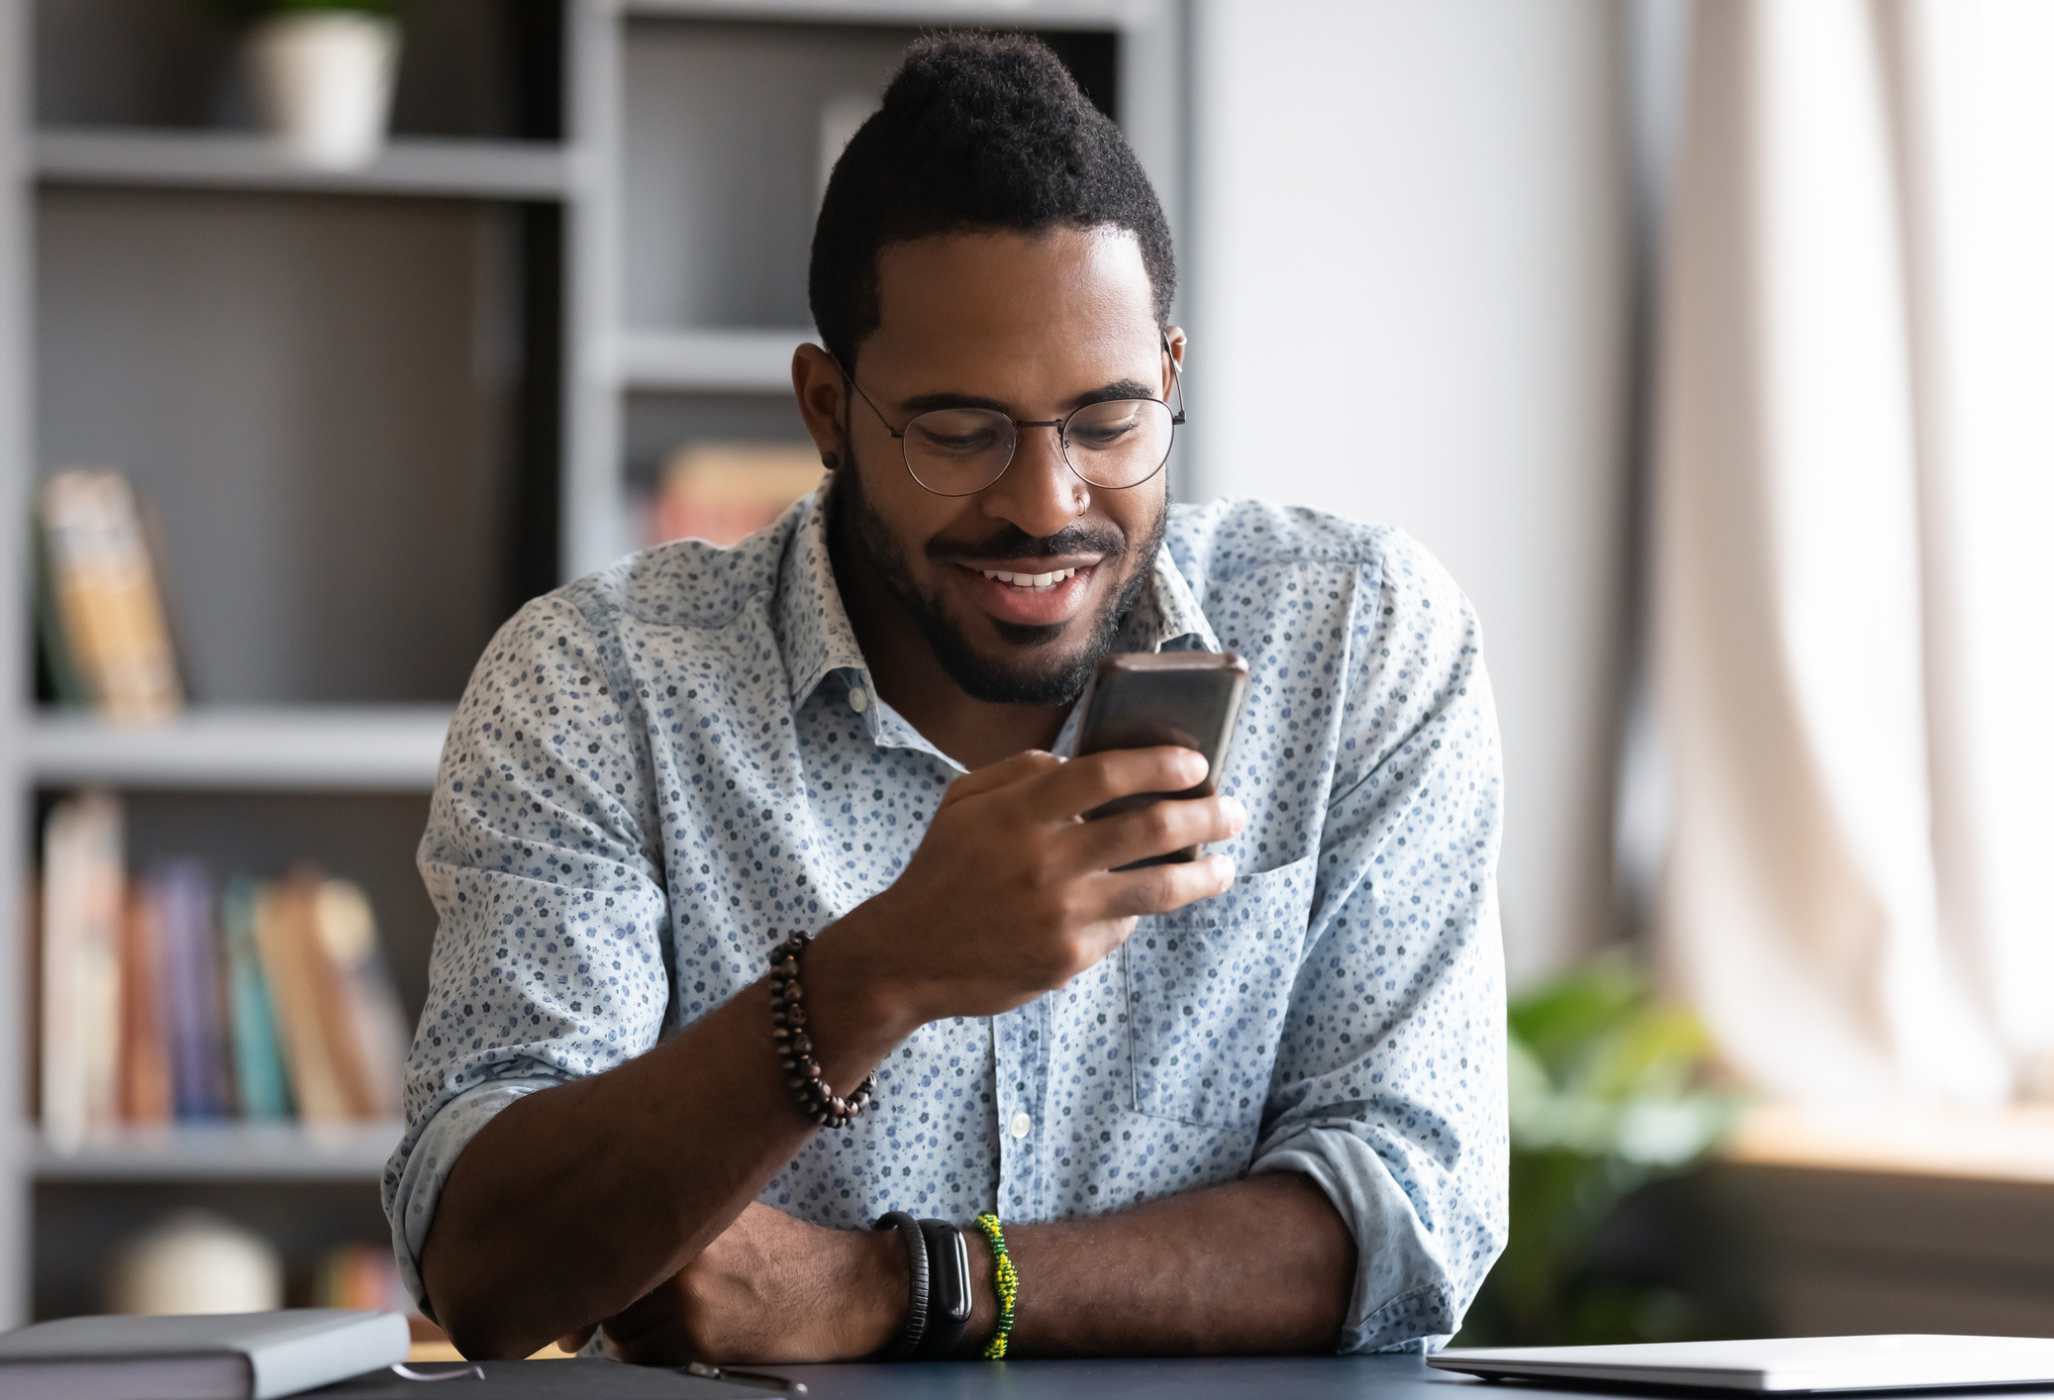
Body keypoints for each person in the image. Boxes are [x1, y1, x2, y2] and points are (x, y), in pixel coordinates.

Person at [382, 31, 1507, 1366]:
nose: (1046, 505)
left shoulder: (1359, 639)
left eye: (1107, 421)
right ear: (827, 409)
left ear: (1174, 378)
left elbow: (1411, 1222)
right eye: (958, 433)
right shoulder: (599, 685)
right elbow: (489, 1269)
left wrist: (903, 1287)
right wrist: (880, 972)